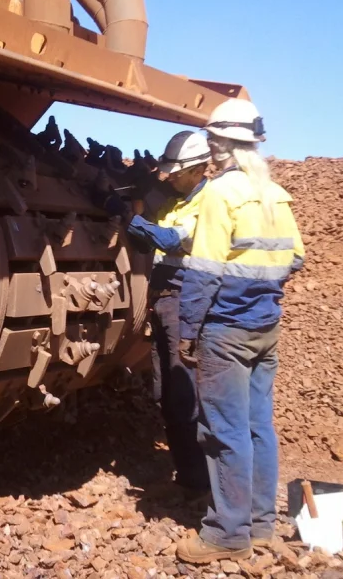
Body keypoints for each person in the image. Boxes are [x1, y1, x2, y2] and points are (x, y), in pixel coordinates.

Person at [175, 99, 305, 563]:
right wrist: (260, 291)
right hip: (266, 326)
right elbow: (295, 258)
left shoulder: (219, 192)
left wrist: (188, 329)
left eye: (213, 142)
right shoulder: (275, 193)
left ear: (224, 143)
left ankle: (226, 533)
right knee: (257, 427)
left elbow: (204, 270)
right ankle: (260, 524)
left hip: (226, 329)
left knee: (223, 431)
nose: (211, 150)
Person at [123, 131, 212, 496]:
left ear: (199, 168)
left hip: (183, 297)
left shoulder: (208, 201)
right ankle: (188, 474)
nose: (171, 177)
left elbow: (172, 240)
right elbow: (156, 236)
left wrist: (131, 220)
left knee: (184, 389)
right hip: (163, 299)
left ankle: (201, 479)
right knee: (166, 390)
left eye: (177, 172)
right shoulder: (178, 200)